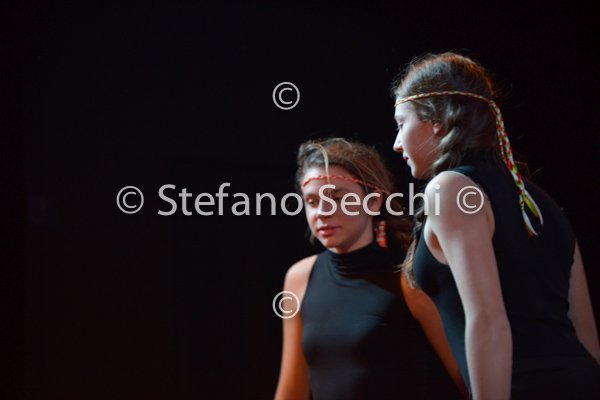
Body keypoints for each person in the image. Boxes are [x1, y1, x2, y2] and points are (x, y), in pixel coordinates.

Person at [391, 52, 600, 399]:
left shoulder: (450, 188)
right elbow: (587, 336)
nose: (397, 144)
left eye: (401, 123)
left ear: (436, 120)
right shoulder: (539, 200)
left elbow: (488, 321)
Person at [274, 138, 466, 400]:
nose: (322, 211)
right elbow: (291, 391)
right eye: (311, 201)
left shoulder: (409, 276)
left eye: (337, 198)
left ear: (373, 202)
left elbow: (465, 379)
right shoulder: (299, 278)